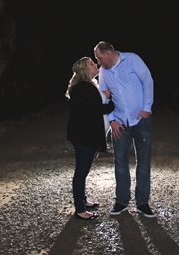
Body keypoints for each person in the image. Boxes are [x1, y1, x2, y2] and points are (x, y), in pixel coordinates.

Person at [94, 42, 155, 217]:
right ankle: (121, 201)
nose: (98, 63)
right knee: (120, 162)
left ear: (108, 54)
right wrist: (111, 120)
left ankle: (142, 203)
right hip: (119, 122)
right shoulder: (104, 72)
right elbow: (103, 95)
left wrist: (146, 108)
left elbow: (147, 80)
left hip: (140, 120)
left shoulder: (132, 59)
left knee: (143, 163)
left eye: (99, 58)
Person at [66, 56, 114, 220]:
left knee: (83, 171)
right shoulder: (84, 88)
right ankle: (80, 209)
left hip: (85, 134)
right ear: (85, 70)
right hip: (84, 135)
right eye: (91, 64)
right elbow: (98, 108)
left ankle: (83, 201)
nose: (95, 65)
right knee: (81, 171)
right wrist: (113, 100)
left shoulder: (87, 86)